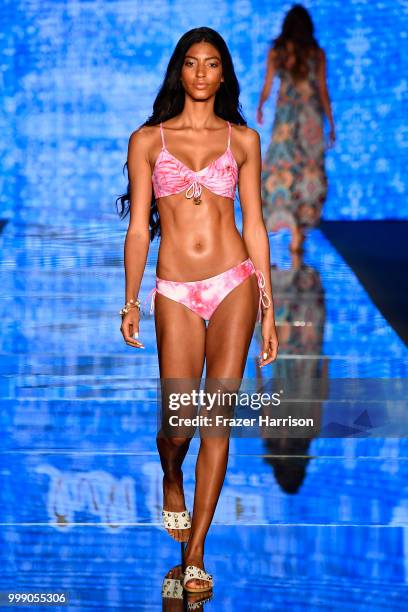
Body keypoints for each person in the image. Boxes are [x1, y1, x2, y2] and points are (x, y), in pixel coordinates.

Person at [116, 27, 278, 593]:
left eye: (212, 64)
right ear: (178, 72)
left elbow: (254, 225)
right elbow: (140, 227)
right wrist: (131, 299)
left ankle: (197, 552)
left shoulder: (244, 140)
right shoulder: (146, 141)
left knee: (216, 421)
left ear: (224, 73)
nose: (202, 73)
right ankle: (169, 475)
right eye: (192, 63)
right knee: (180, 424)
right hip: (175, 289)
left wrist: (269, 306)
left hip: (234, 281)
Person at [257, 4, 335, 252]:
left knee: (281, 168)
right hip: (310, 119)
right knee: (308, 172)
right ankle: (298, 230)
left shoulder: (278, 52)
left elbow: (268, 85)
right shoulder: (316, 53)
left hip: (287, 120)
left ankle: (287, 226)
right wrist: (331, 124)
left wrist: (261, 106)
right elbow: (322, 90)